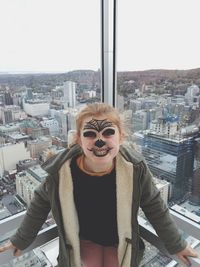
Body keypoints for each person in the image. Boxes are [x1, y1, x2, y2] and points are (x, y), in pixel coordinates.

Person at [0, 103, 199, 267]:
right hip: (83, 241)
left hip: (120, 241)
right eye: (90, 134)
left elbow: (155, 207)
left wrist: (177, 245)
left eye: (108, 133)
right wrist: (21, 239)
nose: (100, 141)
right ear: (79, 139)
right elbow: (40, 204)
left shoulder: (135, 169)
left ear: (121, 137)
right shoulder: (62, 172)